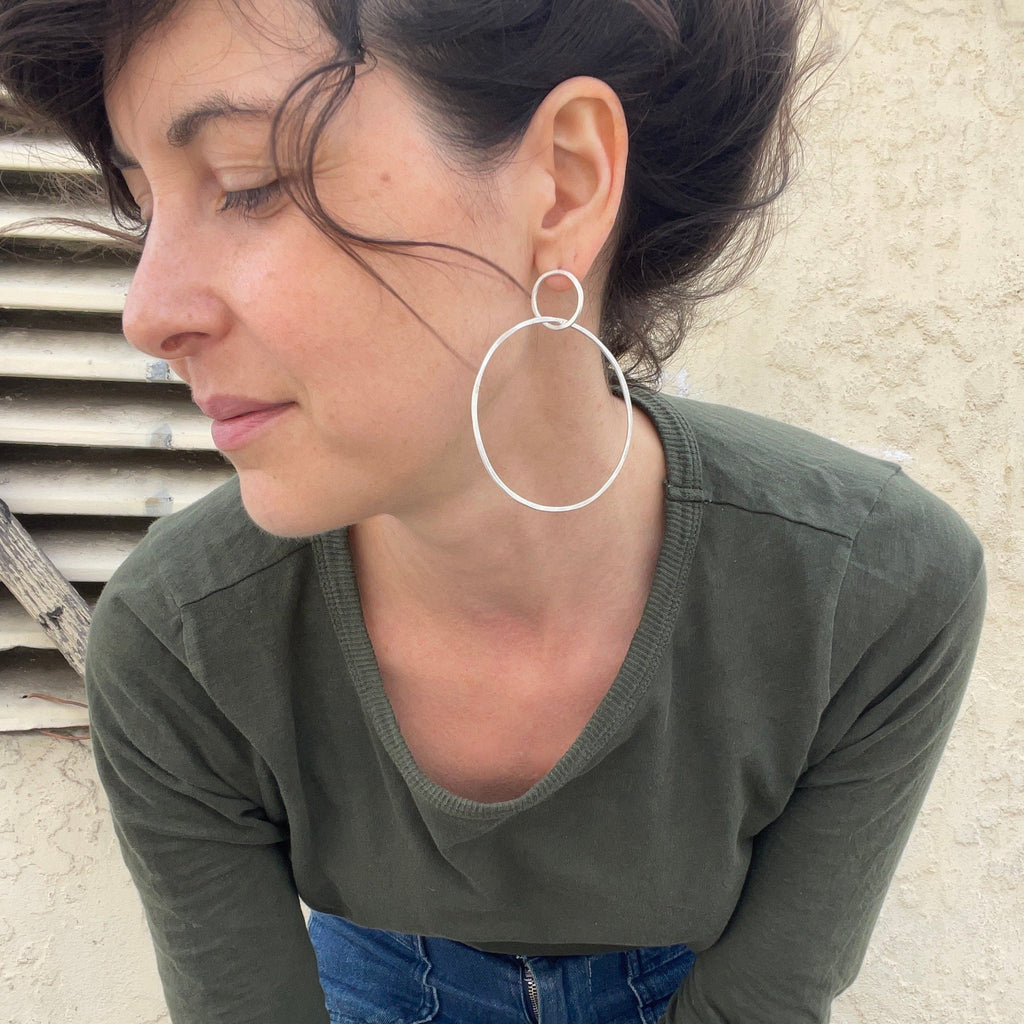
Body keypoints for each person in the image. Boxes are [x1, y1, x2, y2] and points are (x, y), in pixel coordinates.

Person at [0, 1, 987, 1022]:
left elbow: (766, 993)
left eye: (247, 185)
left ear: (563, 181)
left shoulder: (873, 585)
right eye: (140, 204)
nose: (146, 314)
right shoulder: (179, 641)